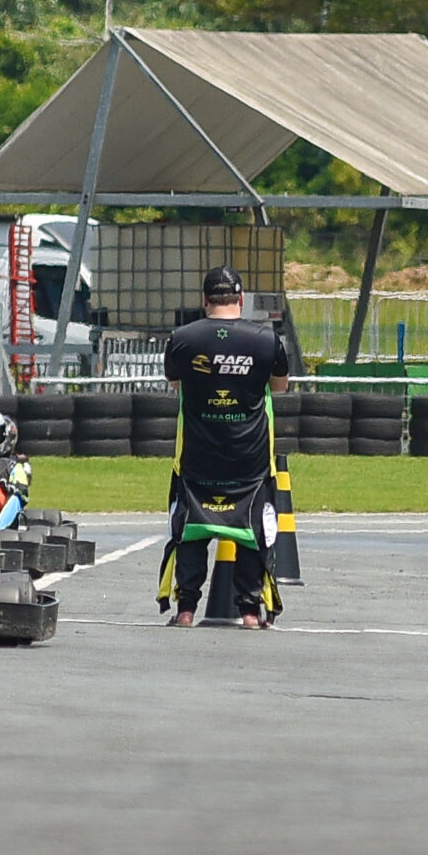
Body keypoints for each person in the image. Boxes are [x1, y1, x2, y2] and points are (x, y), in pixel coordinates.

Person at [158, 264, 291, 627]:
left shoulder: (181, 339)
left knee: (188, 530)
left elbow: (174, 385)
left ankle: (186, 609)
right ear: (241, 299)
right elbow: (280, 387)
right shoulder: (267, 340)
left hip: (197, 457)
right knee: (253, 533)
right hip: (249, 459)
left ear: (205, 301)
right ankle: (249, 612)